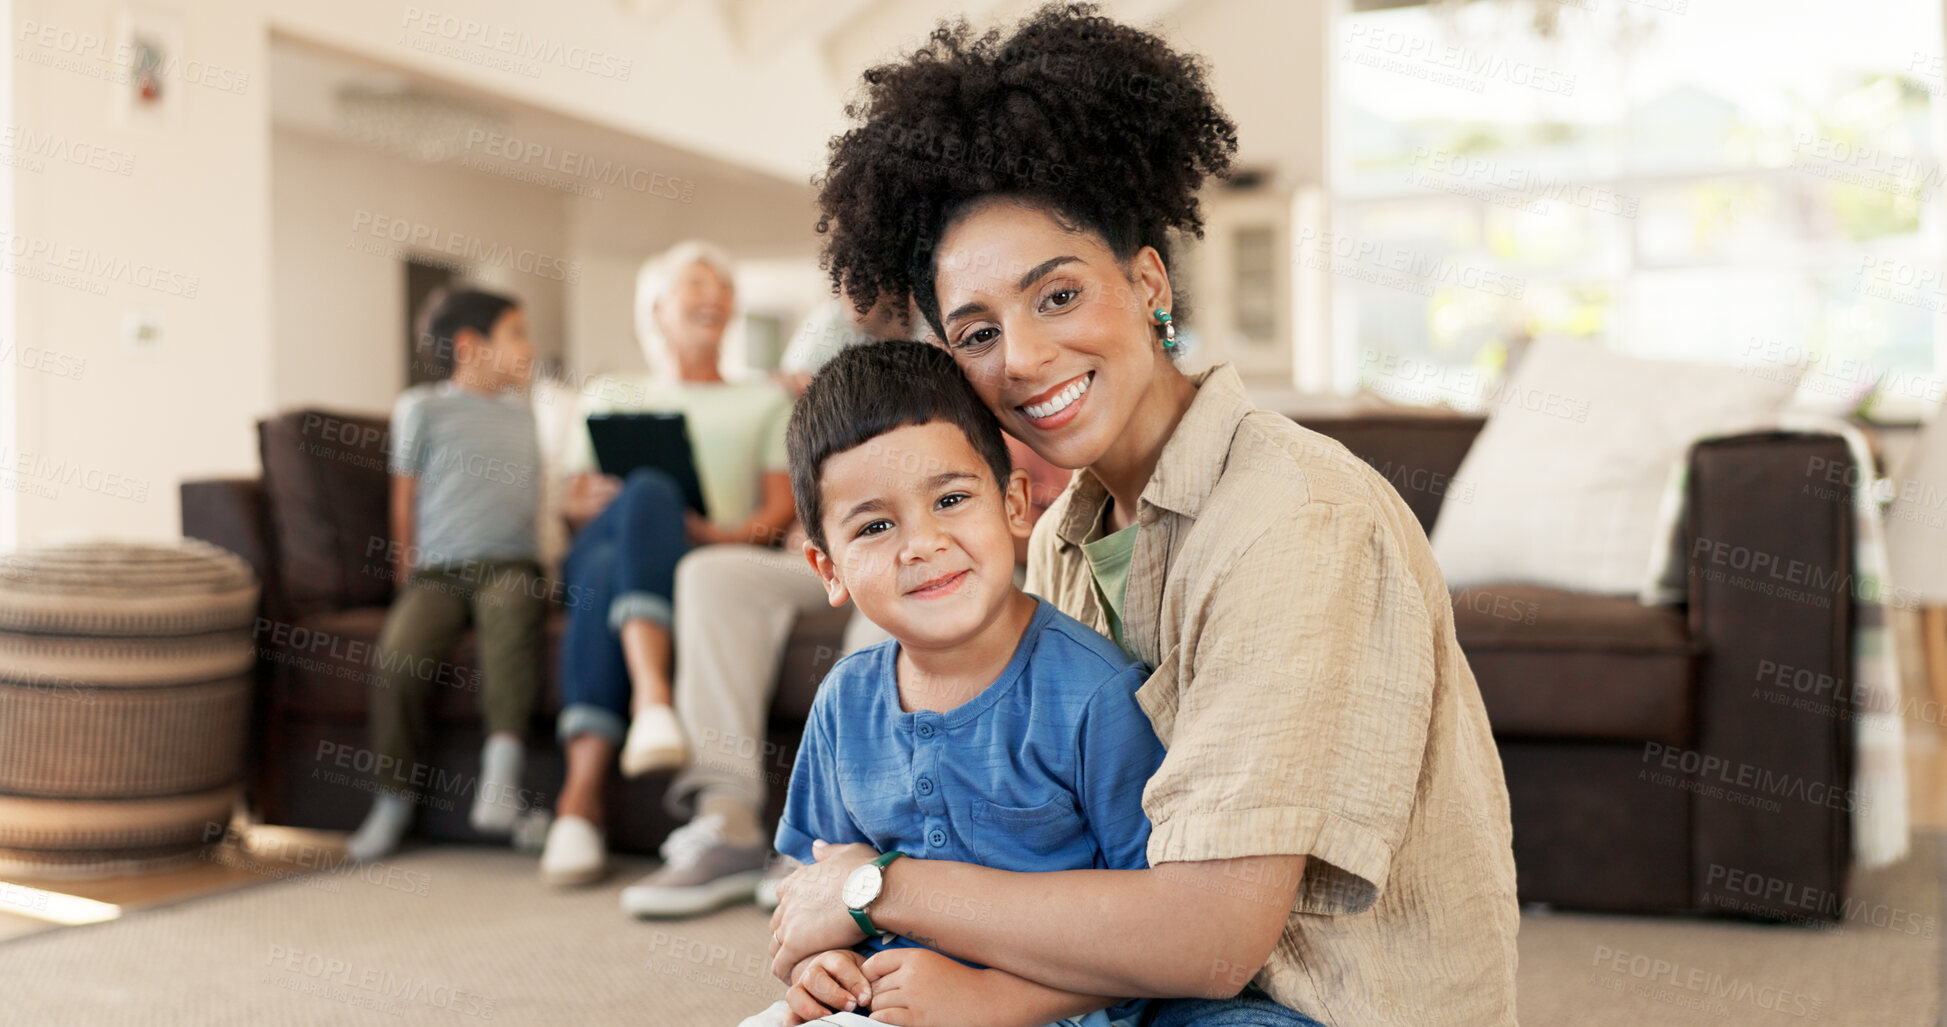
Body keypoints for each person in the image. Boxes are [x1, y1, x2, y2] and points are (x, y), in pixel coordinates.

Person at [769, 6, 1521, 1026]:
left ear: (1149, 281)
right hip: (1130, 996)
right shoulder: (1067, 529)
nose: (1024, 357)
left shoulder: (1295, 517)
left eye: (1059, 295)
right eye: (979, 331)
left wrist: (872, 889)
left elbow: (1209, 939)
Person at [741, 340, 1163, 1027]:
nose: (921, 542)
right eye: (875, 525)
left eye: (951, 498)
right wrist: (818, 969)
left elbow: (1154, 936)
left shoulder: (1096, 694)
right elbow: (808, 897)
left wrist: (992, 1002)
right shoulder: (845, 703)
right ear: (829, 568)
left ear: (1015, 504)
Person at [539, 241, 799, 886]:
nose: (713, 295)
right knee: (638, 504)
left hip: (706, 558)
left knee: (629, 527)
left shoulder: (764, 401)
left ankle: (579, 802)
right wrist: (587, 500)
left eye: (722, 285)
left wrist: (716, 533)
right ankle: (651, 695)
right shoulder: (608, 393)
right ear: (656, 307)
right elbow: (577, 509)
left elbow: (777, 509)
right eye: (695, 284)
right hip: (616, 550)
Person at [346, 287, 546, 862]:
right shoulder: (422, 408)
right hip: (437, 573)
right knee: (398, 657)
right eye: (516, 333)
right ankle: (391, 800)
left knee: (512, 618)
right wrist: (408, 574)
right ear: (469, 347)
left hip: (509, 565)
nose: (529, 347)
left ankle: (501, 778)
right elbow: (404, 497)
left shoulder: (525, 414)